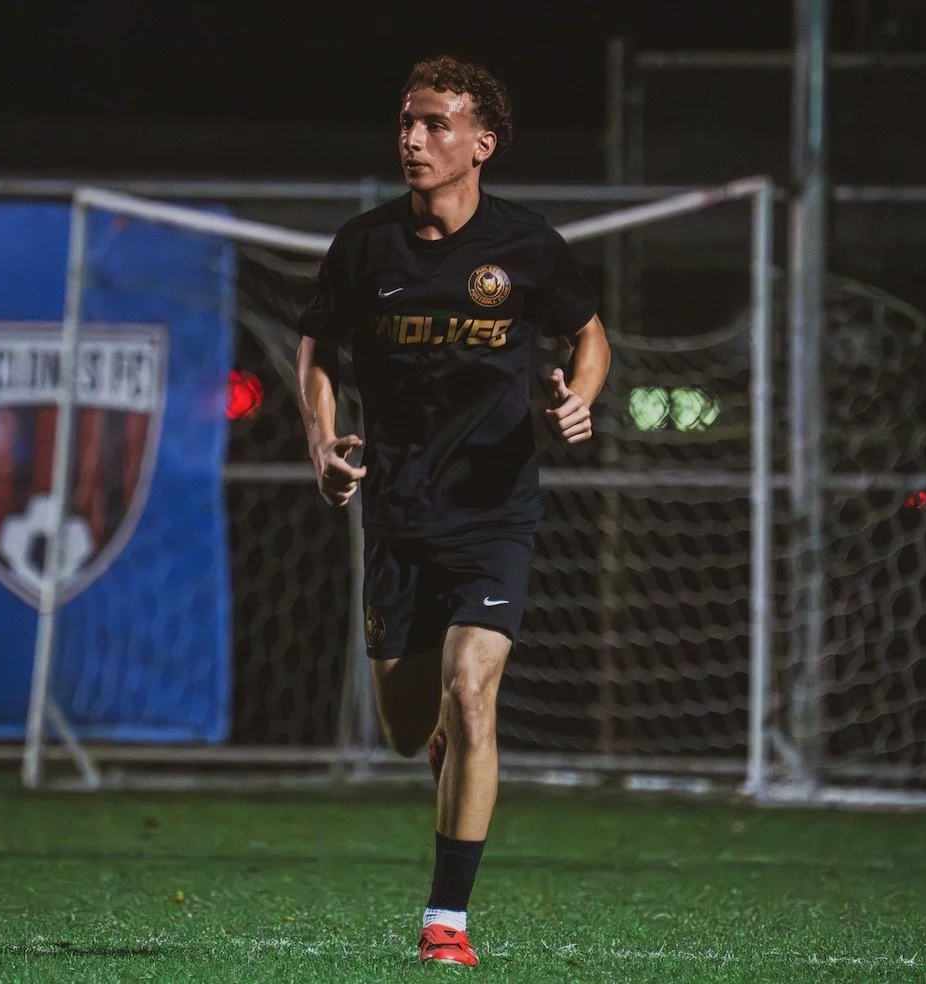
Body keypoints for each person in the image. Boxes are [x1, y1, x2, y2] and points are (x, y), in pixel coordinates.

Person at [295, 54, 611, 968]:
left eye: (435, 124)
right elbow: (315, 347)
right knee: (406, 730)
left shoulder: (527, 248)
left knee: (474, 693)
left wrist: (579, 397)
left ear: (484, 143)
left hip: (495, 513)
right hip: (398, 513)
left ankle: (447, 924)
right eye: (406, 121)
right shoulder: (364, 247)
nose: (413, 138)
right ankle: (442, 754)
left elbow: (587, 333)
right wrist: (323, 444)